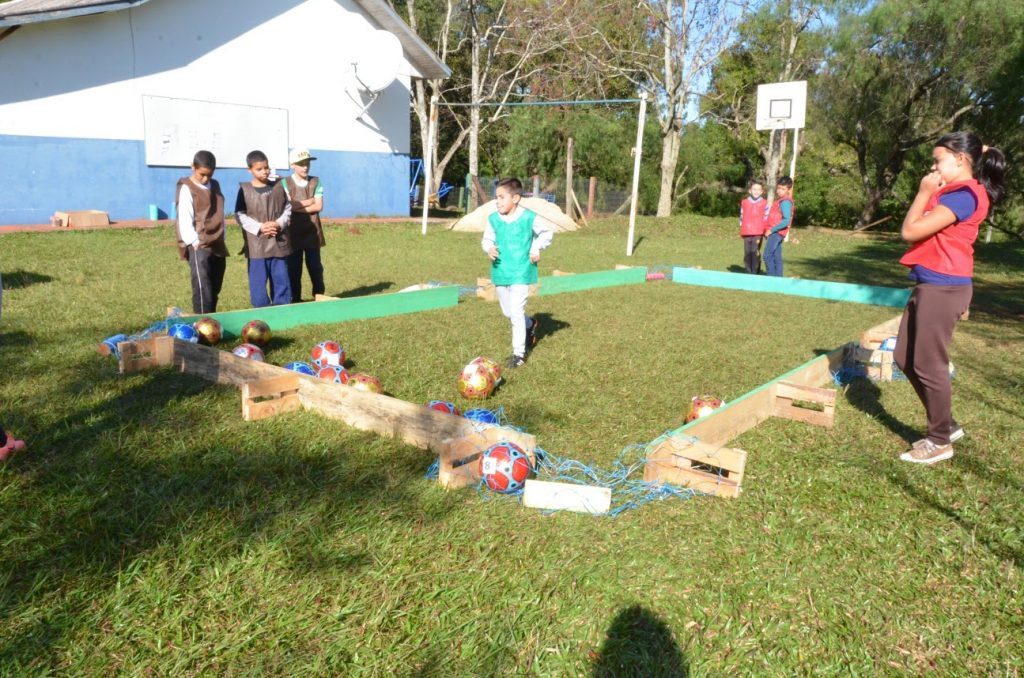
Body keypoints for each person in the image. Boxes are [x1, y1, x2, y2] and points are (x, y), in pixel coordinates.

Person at [894, 131, 1005, 465]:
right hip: (932, 284)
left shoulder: (963, 196)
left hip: (944, 288)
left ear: (960, 159)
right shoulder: (954, 192)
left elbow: (910, 231)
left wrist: (924, 192)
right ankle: (947, 425)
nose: (933, 166)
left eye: (938, 159)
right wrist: (932, 191)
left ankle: (939, 440)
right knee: (903, 357)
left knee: (929, 364)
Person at [482, 178, 555, 369]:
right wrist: (489, 248)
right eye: (496, 198)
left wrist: (536, 248)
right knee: (508, 312)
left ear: (515, 198)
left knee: (516, 312)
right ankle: (530, 324)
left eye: (501, 197)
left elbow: (547, 233)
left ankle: (519, 355)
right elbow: (486, 239)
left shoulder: (529, 217)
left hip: (522, 271)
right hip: (500, 271)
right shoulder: (493, 219)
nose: (497, 201)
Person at [235, 150, 293, 307]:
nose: (264, 171)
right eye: (259, 169)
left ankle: (283, 308)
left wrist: (278, 224)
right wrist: (260, 227)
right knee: (258, 283)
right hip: (257, 245)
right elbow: (240, 215)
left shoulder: (279, 186)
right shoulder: (245, 190)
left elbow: (288, 208)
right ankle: (262, 311)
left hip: (278, 242)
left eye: (266, 167)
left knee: (281, 279)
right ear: (250, 170)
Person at [176, 150, 229, 314]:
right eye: (202, 175)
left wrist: (222, 234)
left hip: (217, 241)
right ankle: (202, 321)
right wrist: (193, 241)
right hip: (199, 243)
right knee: (202, 286)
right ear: (193, 167)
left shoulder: (216, 185)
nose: (206, 179)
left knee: (215, 284)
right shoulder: (187, 188)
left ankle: (211, 317)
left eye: (209, 175)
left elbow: (219, 211)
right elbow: (184, 217)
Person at [283, 148, 326, 303]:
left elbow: (318, 206)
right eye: (301, 164)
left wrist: (297, 206)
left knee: (315, 267)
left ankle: (319, 294)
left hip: (312, 232)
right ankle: (295, 298)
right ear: (292, 165)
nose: (305, 167)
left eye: (307, 163)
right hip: (292, 233)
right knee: (294, 268)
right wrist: (309, 201)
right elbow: (287, 206)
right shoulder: (285, 183)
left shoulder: (316, 182)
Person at [762, 176, 794, 277]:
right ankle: (778, 279)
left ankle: (771, 278)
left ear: (789, 189)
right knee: (776, 257)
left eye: (783, 189)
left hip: (776, 232)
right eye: (778, 188)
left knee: (767, 255)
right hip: (778, 233)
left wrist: (771, 230)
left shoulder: (785, 202)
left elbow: (786, 220)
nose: (779, 191)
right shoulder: (782, 200)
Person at [739, 180, 768, 274]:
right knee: (747, 252)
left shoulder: (764, 203)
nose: (756, 191)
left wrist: (766, 230)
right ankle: (748, 271)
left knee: (755, 251)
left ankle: (755, 271)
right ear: (749, 191)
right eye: (754, 189)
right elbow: (742, 215)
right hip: (747, 230)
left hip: (758, 232)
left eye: (758, 189)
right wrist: (741, 225)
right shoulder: (744, 202)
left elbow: (766, 217)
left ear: (762, 191)